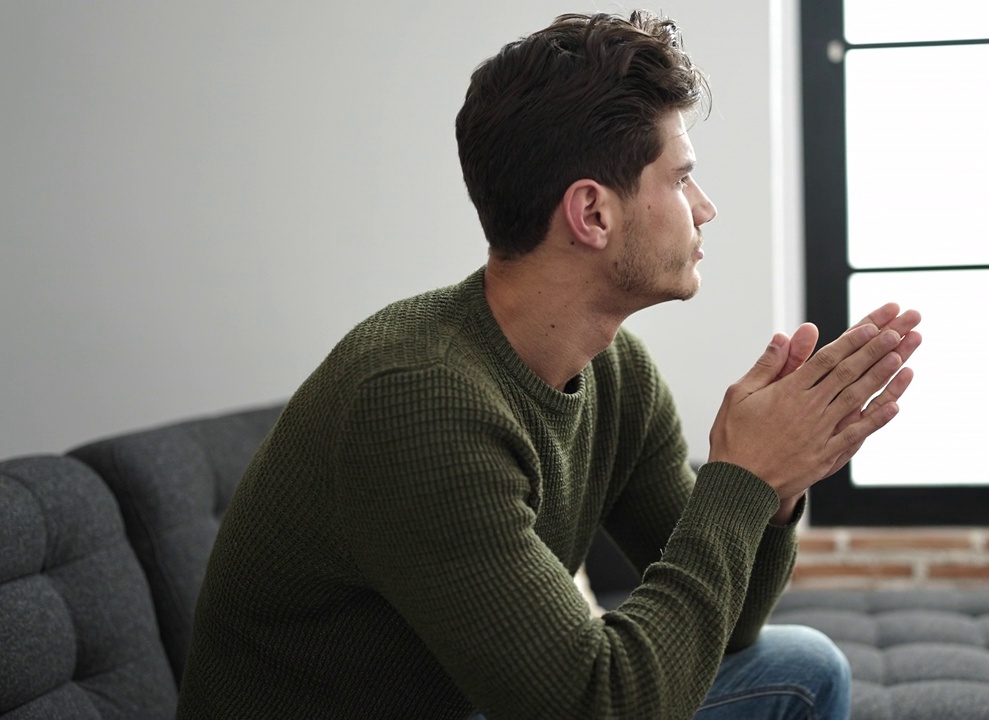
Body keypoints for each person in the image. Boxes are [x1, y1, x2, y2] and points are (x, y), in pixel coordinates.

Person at [177, 9, 921, 720]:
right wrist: (740, 480)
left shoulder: (614, 371)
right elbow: (599, 709)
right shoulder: (417, 400)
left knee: (802, 668)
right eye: (680, 176)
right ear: (592, 214)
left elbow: (732, 624)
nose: (705, 206)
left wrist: (776, 487)